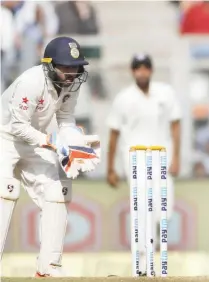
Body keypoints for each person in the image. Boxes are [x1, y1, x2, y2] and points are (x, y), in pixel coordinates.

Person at [0, 36, 100, 277]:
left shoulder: (71, 85)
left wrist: (73, 142)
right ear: (49, 64)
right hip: (5, 138)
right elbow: (17, 126)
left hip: (36, 141)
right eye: (65, 66)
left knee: (58, 191)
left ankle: (48, 266)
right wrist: (50, 141)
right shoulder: (30, 82)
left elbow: (65, 118)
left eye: (75, 67)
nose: (71, 73)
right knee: (5, 190)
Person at [106, 53, 182, 275]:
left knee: (163, 212)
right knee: (141, 212)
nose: (142, 72)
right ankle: (140, 263)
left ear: (151, 70)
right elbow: (113, 134)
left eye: (145, 67)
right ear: (132, 71)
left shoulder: (165, 93)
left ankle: (153, 253)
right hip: (135, 160)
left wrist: (177, 157)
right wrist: (110, 168)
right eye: (138, 68)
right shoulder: (123, 98)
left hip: (162, 159)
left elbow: (176, 124)